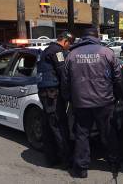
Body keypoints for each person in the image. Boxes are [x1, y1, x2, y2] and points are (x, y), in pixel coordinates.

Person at [64, 27, 122, 179]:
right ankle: (114, 162)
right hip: (104, 101)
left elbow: (66, 81)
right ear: (97, 37)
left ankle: (81, 168)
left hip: (81, 103)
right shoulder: (107, 52)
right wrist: (117, 96)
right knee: (108, 132)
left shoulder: (72, 54)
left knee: (82, 134)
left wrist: (69, 98)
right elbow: (117, 77)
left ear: (83, 38)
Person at [37, 31, 74, 167]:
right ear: (65, 42)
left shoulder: (47, 49)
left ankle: (51, 158)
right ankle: (66, 159)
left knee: (48, 125)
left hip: (46, 92)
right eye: (69, 45)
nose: (68, 48)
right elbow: (63, 72)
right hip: (52, 93)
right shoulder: (57, 51)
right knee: (59, 125)